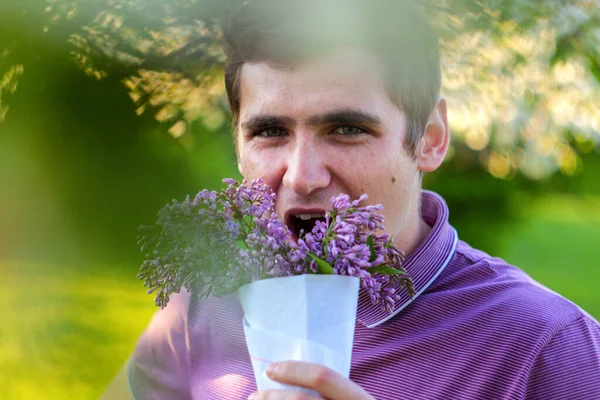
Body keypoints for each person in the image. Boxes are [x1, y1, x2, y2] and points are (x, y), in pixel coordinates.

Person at [117, 0, 600, 399]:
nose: (302, 176)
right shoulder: (197, 313)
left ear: (430, 138)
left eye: (347, 129)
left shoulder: (548, 346)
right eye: (269, 131)